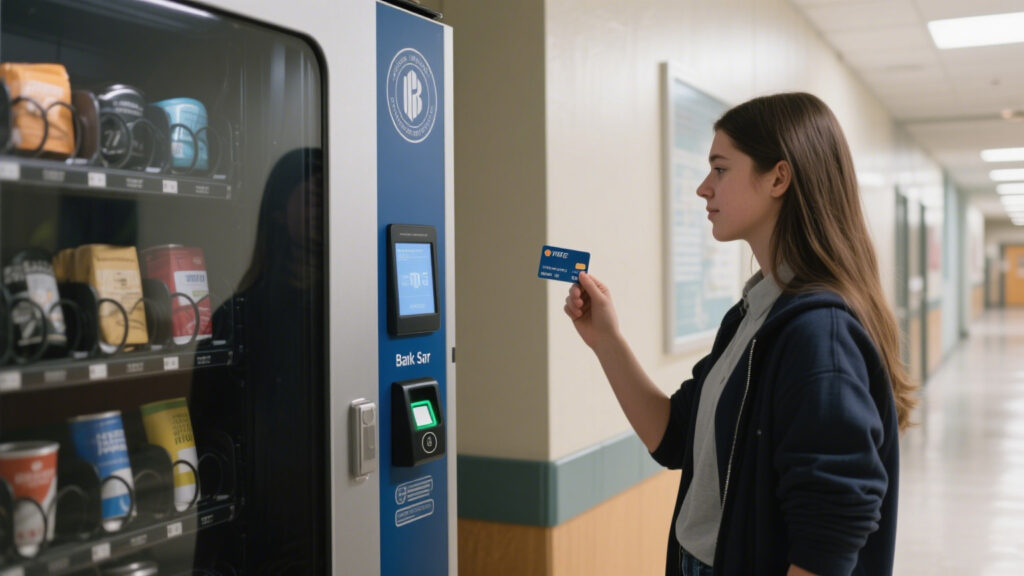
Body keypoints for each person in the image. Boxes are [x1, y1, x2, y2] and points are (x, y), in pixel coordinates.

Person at [564, 93, 914, 576]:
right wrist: (606, 339)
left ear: (778, 178)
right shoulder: (754, 314)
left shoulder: (818, 334)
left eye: (720, 169)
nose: (703, 189)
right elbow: (672, 436)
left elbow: (832, 526)